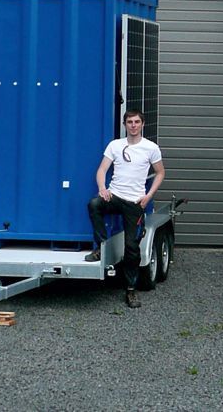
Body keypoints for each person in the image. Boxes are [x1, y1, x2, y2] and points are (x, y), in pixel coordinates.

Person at [85, 109, 165, 308]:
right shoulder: (115, 145)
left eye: (137, 122)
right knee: (94, 204)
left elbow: (160, 173)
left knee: (132, 248)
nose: (133, 125)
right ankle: (101, 247)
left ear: (142, 124)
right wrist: (102, 188)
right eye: (130, 122)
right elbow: (102, 169)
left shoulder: (151, 148)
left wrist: (148, 196)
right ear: (125, 124)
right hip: (115, 196)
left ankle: (130, 290)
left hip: (135, 203)